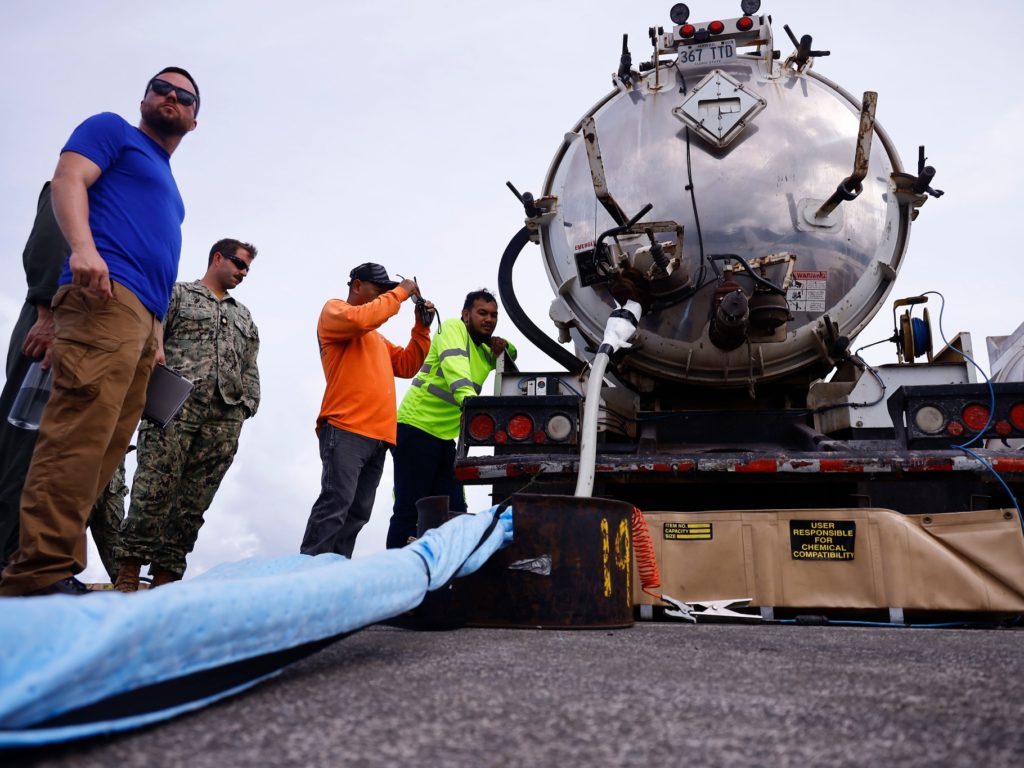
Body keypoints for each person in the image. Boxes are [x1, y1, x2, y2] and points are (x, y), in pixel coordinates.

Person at [0, 67, 200, 597]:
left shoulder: (169, 186)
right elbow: (68, 181)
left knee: (106, 450)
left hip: (143, 320)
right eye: (163, 89)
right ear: (145, 97)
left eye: (184, 97)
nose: (171, 99)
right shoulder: (112, 130)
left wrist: (156, 332)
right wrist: (84, 250)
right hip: (103, 297)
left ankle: (56, 566)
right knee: (75, 436)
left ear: (193, 120)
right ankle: (36, 573)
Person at [112, 239, 260, 591]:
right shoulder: (177, 294)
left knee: (194, 501)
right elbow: (152, 337)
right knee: (153, 486)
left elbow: (250, 364)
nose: (243, 272)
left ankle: (167, 578)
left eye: (248, 269)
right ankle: (129, 571)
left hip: (223, 417)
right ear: (217, 257)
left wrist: (247, 405)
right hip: (175, 406)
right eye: (239, 264)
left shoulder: (244, 316)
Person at [0, 183, 127, 582]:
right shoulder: (73, 190)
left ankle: (36, 564)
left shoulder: (121, 215)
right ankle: (9, 561)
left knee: (63, 454)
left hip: (90, 339)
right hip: (54, 331)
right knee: (27, 450)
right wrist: (46, 315)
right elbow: (48, 246)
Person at [299, 263, 433, 558]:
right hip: (346, 428)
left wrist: (421, 328)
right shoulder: (335, 312)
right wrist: (401, 291)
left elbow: (408, 365)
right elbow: (363, 319)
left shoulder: (376, 338)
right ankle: (307, 572)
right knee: (337, 503)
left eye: (386, 291)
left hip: (379, 437)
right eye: (379, 289)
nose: (382, 296)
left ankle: (335, 573)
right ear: (357, 285)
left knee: (358, 513)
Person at [387, 289, 515, 548]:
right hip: (416, 428)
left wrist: (504, 345)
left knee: (454, 511)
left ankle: (449, 578)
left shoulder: (484, 350)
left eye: (493, 315)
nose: (489, 319)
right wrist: (476, 409)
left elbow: (513, 354)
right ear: (465, 315)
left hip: (444, 439)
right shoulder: (452, 329)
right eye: (482, 313)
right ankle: (397, 573)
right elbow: (457, 375)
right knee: (410, 509)